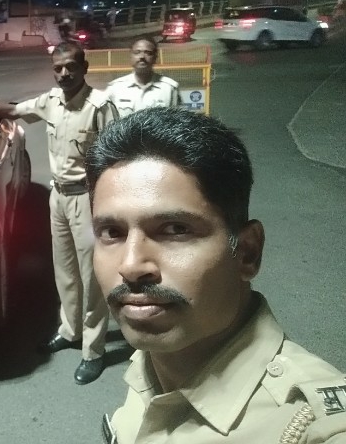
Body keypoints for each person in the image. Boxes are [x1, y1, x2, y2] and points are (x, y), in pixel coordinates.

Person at [85, 108, 346, 443]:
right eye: (112, 232)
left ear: (248, 252)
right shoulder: (154, 362)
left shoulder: (310, 426)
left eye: (175, 229)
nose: (131, 266)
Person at [0, 41, 118, 384]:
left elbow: (117, 156)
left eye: (71, 66)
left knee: (91, 277)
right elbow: (11, 111)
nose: (64, 73)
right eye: (58, 68)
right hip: (59, 198)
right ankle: (70, 330)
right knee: (64, 270)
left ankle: (93, 350)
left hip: (88, 200)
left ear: (84, 68)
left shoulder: (100, 106)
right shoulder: (50, 101)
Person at [105, 37, 180, 118]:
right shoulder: (116, 88)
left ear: (155, 58)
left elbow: (178, 121)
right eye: (137, 52)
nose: (142, 57)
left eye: (148, 53)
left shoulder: (169, 88)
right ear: (131, 56)